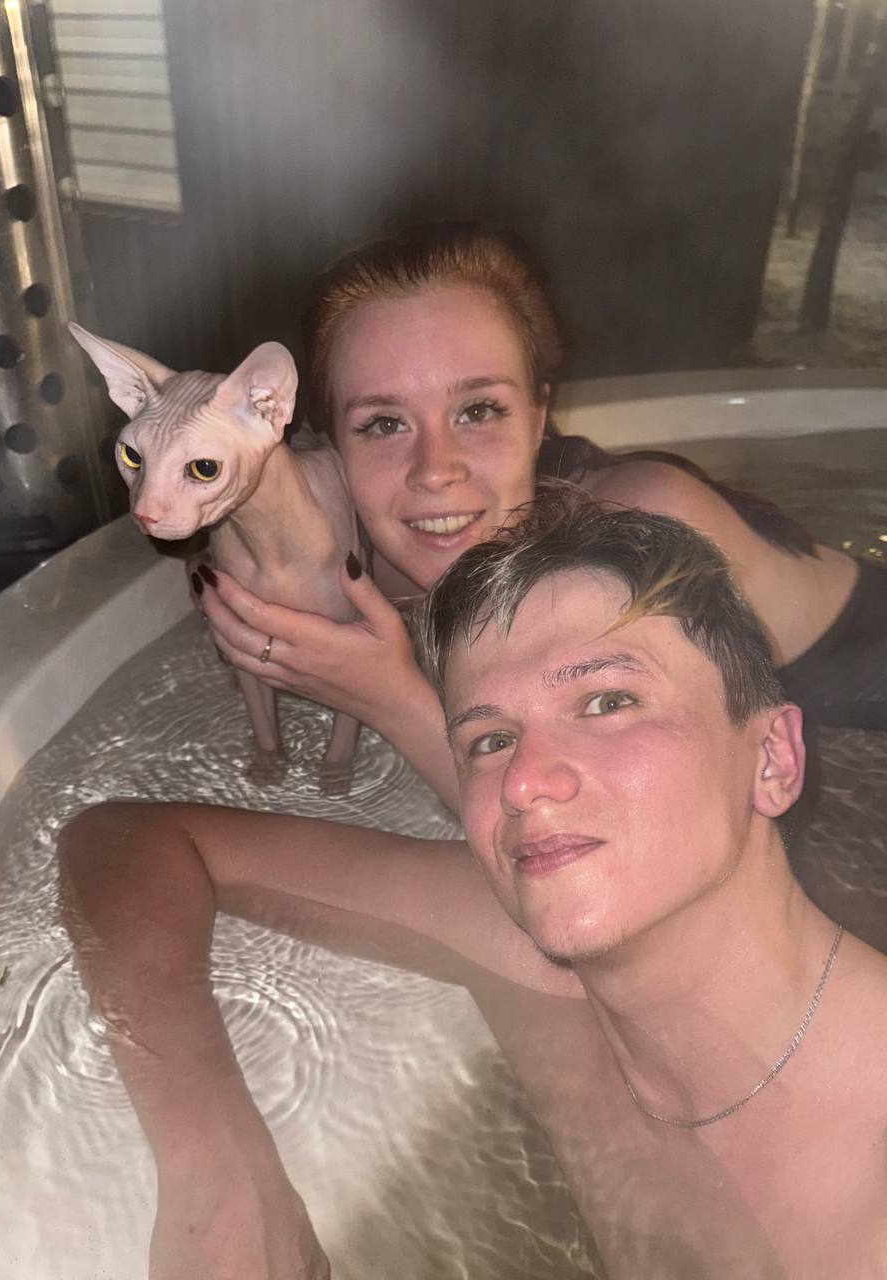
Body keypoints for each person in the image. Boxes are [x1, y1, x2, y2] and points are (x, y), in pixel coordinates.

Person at [60, 493, 887, 1280]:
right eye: (490, 740)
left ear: (773, 759)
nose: (524, 781)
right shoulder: (535, 966)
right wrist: (214, 1161)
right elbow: (126, 843)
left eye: (607, 700)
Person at [192, 222, 885, 814]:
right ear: (331, 447)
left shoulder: (644, 532)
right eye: (383, 423)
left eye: (478, 410)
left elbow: (645, 840)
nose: (435, 470)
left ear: (537, 415)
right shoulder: (355, 558)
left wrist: (389, 698)